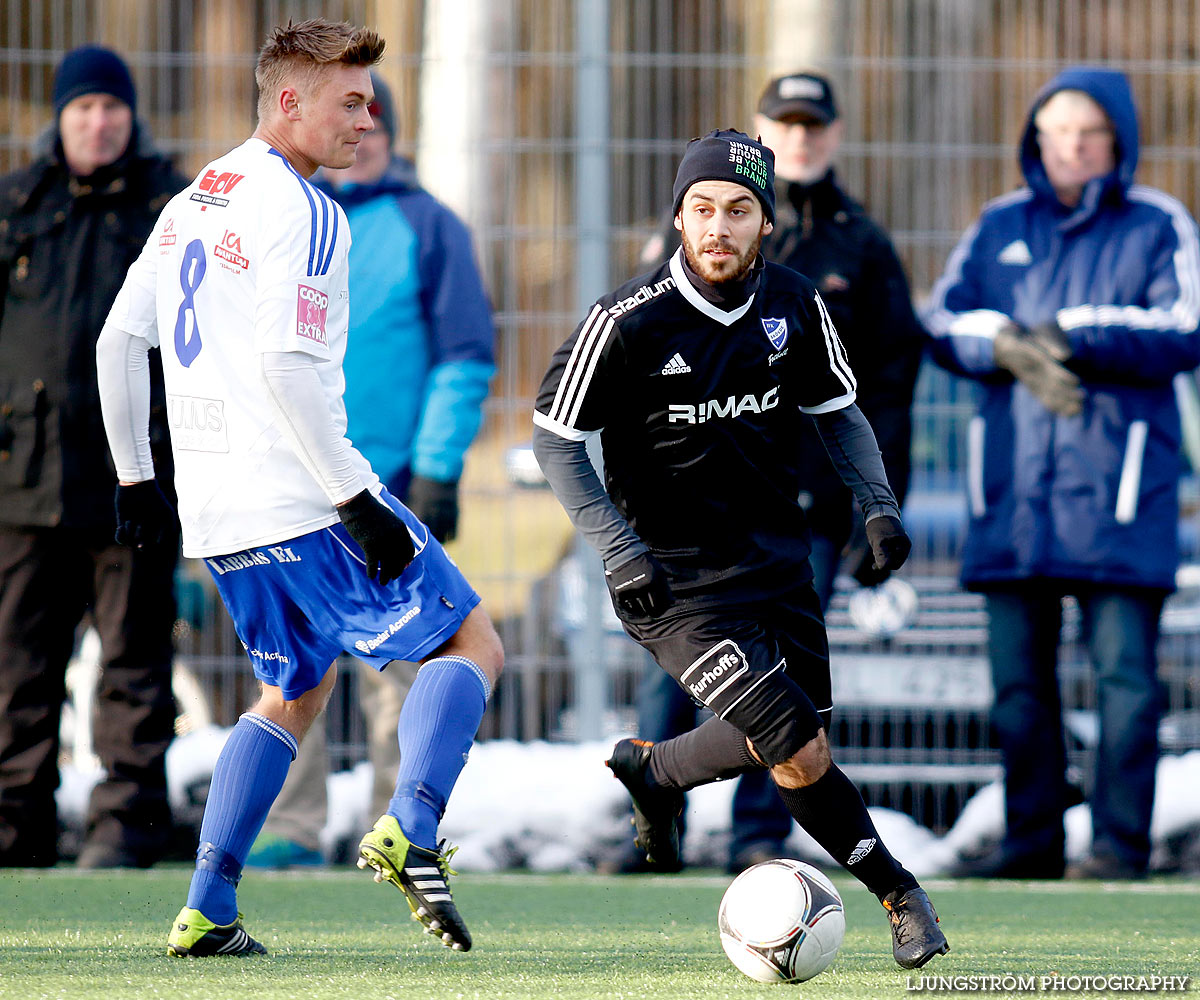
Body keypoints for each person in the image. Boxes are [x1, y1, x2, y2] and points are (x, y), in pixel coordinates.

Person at [96, 18, 503, 956]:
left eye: (369, 102)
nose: (366, 120)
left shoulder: (197, 195)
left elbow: (122, 342)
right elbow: (289, 369)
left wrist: (136, 477)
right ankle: (413, 825)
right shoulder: (307, 208)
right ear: (290, 102)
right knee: (473, 640)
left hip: (221, 513)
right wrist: (359, 501)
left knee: (294, 688)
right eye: (349, 101)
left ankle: (209, 905)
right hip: (308, 496)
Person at [533, 128, 949, 970]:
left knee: (805, 753)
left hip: (778, 562)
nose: (718, 226)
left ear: (765, 223)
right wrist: (617, 548)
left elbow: (839, 412)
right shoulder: (626, 322)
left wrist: (877, 508)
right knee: (788, 733)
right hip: (671, 578)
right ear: (678, 217)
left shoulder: (795, 304)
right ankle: (899, 892)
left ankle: (655, 775)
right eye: (701, 209)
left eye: (738, 209)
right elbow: (554, 440)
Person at [616, 71, 925, 874]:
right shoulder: (671, 264)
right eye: (784, 123)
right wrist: (621, 534)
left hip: (801, 512)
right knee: (697, 687)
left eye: (813, 123)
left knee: (793, 711)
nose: (801, 136)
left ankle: (757, 833)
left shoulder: (859, 243)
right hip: (679, 545)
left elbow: (882, 384)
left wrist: (879, 504)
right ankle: (655, 816)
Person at [925, 67, 1200, 881]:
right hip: (1013, 502)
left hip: (1120, 499)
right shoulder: (999, 224)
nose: (1072, 148)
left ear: (1117, 141)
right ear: (1034, 139)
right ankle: (1031, 848)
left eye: (1089, 134)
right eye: (1056, 132)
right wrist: (1004, 344)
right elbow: (941, 318)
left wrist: (1071, 335)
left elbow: (1185, 326)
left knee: (1126, 689)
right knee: (1018, 693)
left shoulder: (1158, 224)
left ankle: (1118, 849)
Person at [246, 72, 496, 869]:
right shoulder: (282, 217)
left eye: (374, 121)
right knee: (293, 663)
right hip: (290, 481)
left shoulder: (429, 227)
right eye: (350, 116)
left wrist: (435, 469)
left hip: (382, 481)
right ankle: (290, 827)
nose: (364, 135)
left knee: (408, 660)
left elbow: (464, 358)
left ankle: (402, 819)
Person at [0, 45, 187, 869]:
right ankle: (16, 828)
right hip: (23, 479)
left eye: (112, 106)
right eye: (83, 108)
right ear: (60, 116)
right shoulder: (16, 204)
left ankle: (125, 829)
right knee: (16, 670)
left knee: (135, 667)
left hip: (135, 480)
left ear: (131, 115)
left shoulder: (171, 207)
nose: (99, 122)